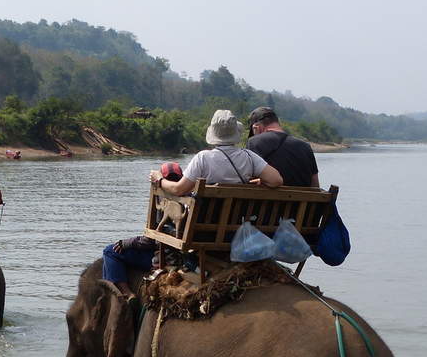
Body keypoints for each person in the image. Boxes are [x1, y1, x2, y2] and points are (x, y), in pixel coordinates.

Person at [150, 109, 282, 197]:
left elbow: (178, 189)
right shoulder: (249, 157)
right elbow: (276, 180)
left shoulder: (203, 158)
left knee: (168, 169)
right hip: (234, 225)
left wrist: (159, 180)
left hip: (201, 226)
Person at [101, 163, 183, 300]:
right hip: (186, 255)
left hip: (165, 256)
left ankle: (126, 294)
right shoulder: (189, 200)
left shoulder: (164, 201)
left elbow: (150, 240)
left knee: (110, 251)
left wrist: (127, 243)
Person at [246, 106, 320, 187]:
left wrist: (255, 137)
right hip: (303, 199)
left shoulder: (254, 142)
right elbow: (315, 185)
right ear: (277, 122)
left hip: (269, 199)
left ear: (256, 127)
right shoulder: (306, 147)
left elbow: (247, 178)